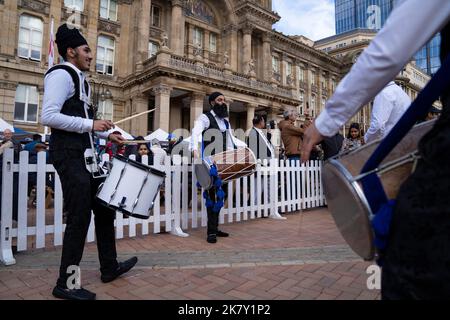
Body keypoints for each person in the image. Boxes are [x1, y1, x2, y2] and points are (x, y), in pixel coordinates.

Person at [301, 0, 450, 299]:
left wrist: (326, 122)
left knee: (410, 258)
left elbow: (388, 51)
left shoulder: (385, 92)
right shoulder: (401, 94)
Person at [41, 23, 137, 300]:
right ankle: (66, 283)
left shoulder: (80, 78)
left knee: (105, 208)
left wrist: (109, 133)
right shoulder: (61, 74)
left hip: (85, 156)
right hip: (69, 155)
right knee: (80, 217)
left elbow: (85, 123)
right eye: (86, 50)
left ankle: (109, 267)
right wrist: (91, 124)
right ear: (70, 52)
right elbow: (48, 117)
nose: (91, 55)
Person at [191, 91, 235, 244]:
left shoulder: (226, 122)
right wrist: (195, 149)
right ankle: (211, 232)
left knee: (223, 195)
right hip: (210, 164)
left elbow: (229, 142)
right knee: (211, 197)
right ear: (212, 102)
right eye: (219, 100)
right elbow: (195, 132)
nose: (222, 102)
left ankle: (215, 227)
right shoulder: (205, 118)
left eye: (224, 100)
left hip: (224, 164)